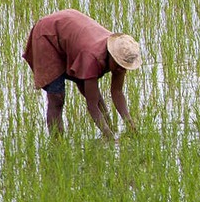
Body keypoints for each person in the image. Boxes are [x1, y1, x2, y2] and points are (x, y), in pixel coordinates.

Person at [21, 9, 143, 138]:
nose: (121, 69)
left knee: (93, 92)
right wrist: (110, 138)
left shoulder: (122, 56)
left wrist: (130, 125)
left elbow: (117, 92)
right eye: (119, 65)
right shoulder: (91, 58)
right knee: (57, 97)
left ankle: (110, 128)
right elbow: (92, 106)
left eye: (124, 67)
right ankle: (57, 143)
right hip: (48, 35)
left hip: (72, 37)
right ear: (111, 56)